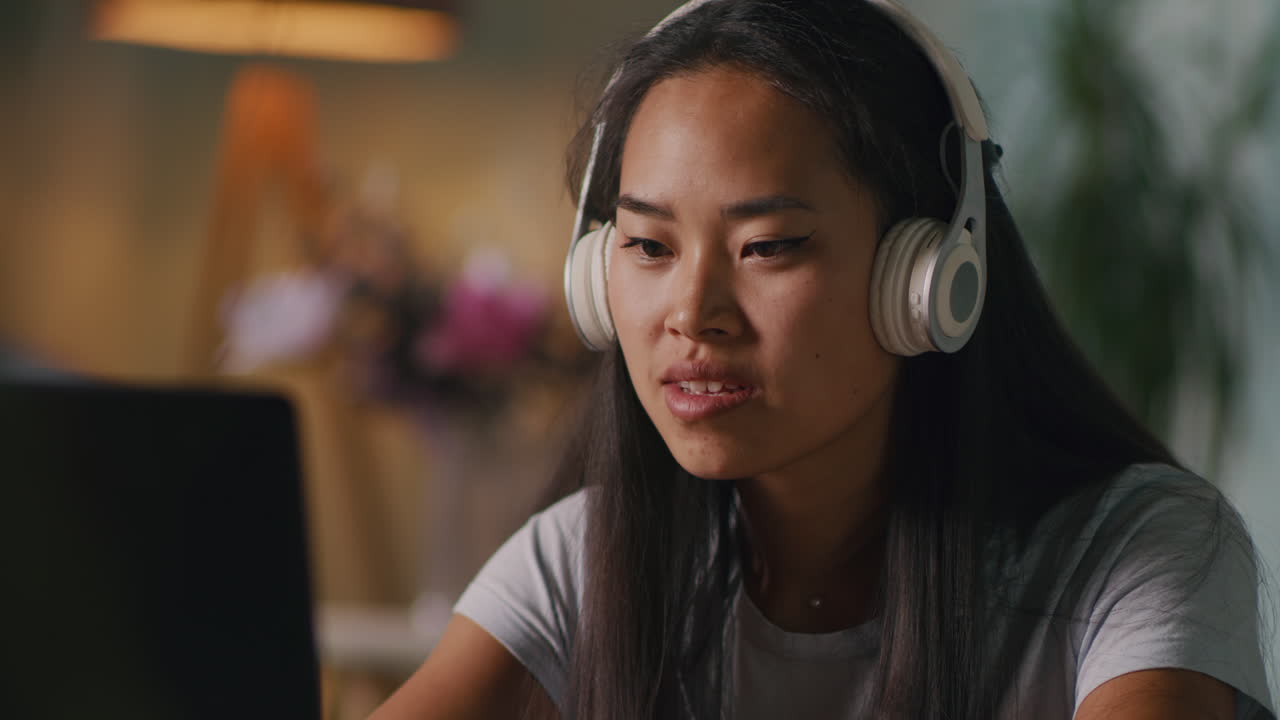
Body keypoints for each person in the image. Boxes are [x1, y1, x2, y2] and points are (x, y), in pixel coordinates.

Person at [370, 1, 1274, 718]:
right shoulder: (584, 559)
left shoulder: (1143, 552)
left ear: (925, 277)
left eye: (767, 247)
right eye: (648, 247)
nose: (692, 315)